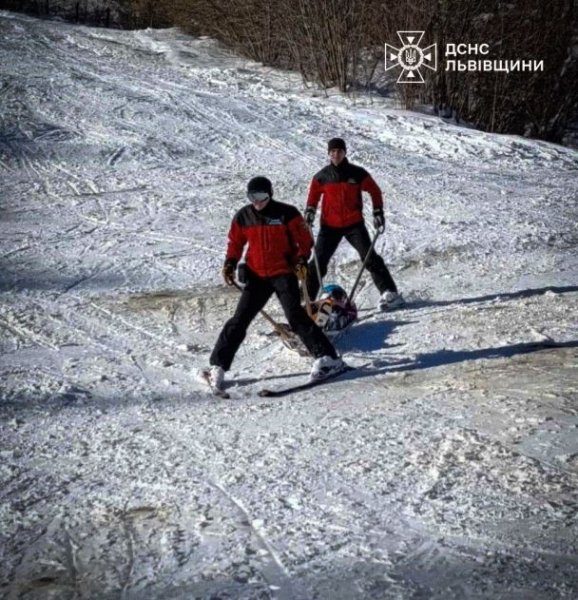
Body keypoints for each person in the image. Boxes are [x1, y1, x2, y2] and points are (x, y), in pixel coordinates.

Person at [205, 176, 344, 391]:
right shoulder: (244, 216)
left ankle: (328, 358)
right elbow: (235, 242)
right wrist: (230, 263)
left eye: (261, 196)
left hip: (283, 273)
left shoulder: (286, 213)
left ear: (270, 194)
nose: (257, 201)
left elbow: (305, 240)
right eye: (252, 197)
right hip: (257, 276)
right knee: (240, 319)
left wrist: (300, 259)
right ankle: (217, 366)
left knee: (295, 317)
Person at [304, 138, 402, 311]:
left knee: (369, 257)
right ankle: (305, 300)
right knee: (318, 262)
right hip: (329, 226)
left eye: (339, 151)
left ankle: (390, 293)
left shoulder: (356, 173)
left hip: (353, 225)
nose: (336, 155)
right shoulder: (322, 176)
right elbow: (313, 196)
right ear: (328, 154)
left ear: (345, 153)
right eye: (332, 151)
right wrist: (310, 211)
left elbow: (375, 190)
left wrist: (378, 211)